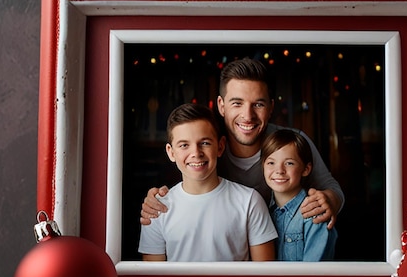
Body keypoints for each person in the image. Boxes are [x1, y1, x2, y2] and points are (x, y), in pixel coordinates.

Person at [140, 57, 344, 230]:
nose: (248, 116)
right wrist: (157, 200)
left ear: (271, 107)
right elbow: (174, 191)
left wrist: (330, 200)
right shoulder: (204, 148)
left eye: (258, 104)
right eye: (237, 103)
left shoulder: (292, 142)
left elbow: (331, 187)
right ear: (221, 105)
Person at [138, 103, 277, 262]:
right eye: (184, 145)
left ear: (220, 146)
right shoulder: (157, 209)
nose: (196, 153)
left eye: (204, 143)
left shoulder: (249, 201)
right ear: (171, 152)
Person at [262, 129, 337, 261]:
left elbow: (314, 275)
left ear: (306, 169)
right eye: (271, 163)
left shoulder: (314, 215)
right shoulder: (262, 212)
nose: (279, 170)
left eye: (289, 163)